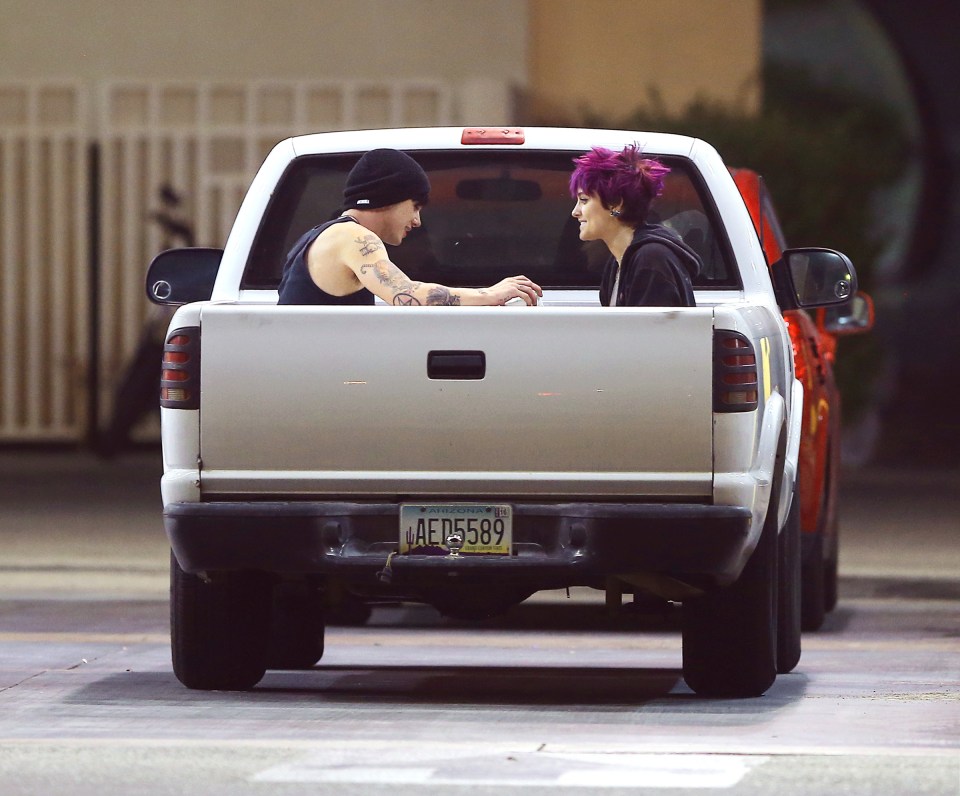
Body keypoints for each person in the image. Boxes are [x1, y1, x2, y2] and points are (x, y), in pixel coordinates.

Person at [278, 148, 541, 306]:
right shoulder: (353, 237)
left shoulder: (319, 236)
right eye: (415, 205)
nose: (417, 221)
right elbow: (405, 295)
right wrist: (490, 295)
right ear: (389, 196)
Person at [569, 144, 702, 306]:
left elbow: (650, 330)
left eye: (584, 200)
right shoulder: (617, 263)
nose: (575, 212)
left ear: (616, 204)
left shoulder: (651, 259)